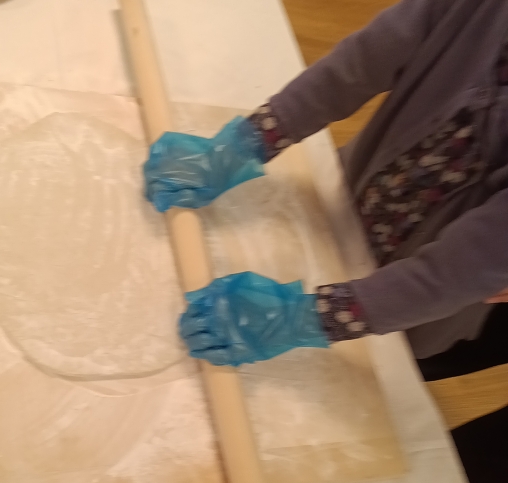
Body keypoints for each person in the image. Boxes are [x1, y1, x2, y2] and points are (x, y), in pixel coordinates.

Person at [143, 0, 508, 369]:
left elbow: (458, 272)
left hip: (412, 302)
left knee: (389, 373)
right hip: (354, 199)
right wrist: (249, 141)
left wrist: (305, 318)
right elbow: (365, 60)